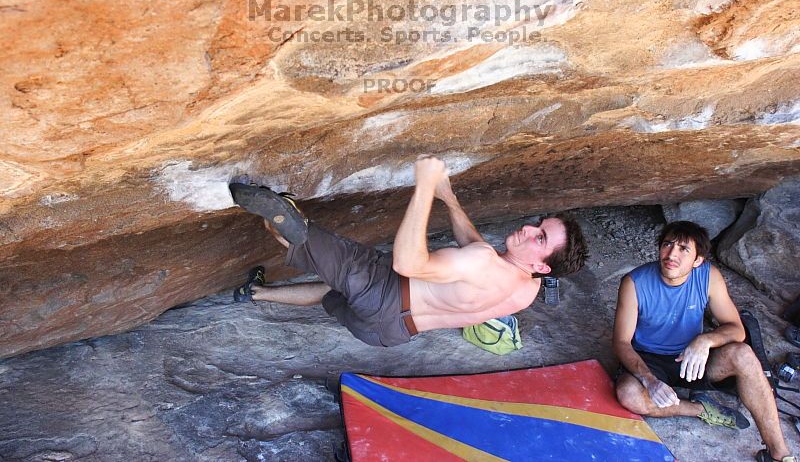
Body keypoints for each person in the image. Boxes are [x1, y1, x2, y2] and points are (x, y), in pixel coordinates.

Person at [229, 155, 588, 347]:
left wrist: (426, 185)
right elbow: (477, 250)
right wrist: (448, 198)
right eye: (539, 225)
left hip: (381, 288)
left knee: (305, 239)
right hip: (386, 333)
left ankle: (275, 212)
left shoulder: (483, 263)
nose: (528, 230)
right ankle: (258, 293)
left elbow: (408, 262)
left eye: (539, 238)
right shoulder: (528, 288)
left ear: (542, 266)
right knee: (331, 289)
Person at [613, 220, 795, 462]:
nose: (671, 254)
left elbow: (737, 329)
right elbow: (621, 343)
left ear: (697, 260)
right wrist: (649, 380)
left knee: (743, 354)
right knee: (629, 394)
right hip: (650, 359)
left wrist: (705, 340)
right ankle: (701, 409)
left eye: (683, 249)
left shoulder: (708, 276)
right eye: (667, 245)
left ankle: (780, 454)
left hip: (693, 358)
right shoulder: (634, 282)